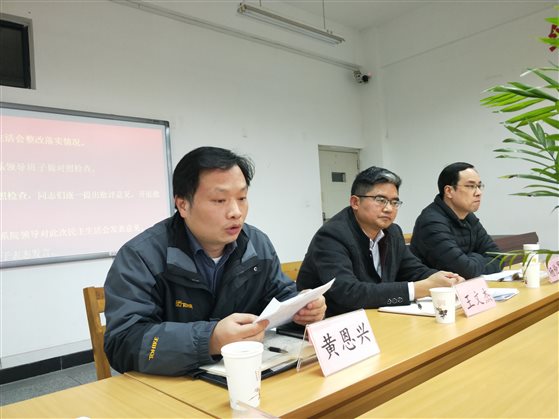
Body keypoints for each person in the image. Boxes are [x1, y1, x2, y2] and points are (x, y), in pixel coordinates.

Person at [104, 146, 326, 376]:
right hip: (169, 384)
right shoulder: (142, 256)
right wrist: (210, 340)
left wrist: (303, 308)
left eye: (242, 198)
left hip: (243, 374)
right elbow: (122, 343)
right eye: (220, 200)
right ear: (183, 204)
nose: (236, 212)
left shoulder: (256, 244)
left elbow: (280, 296)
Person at [296, 166, 463, 317]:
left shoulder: (393, 232)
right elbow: (348, 293)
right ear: (355, 202)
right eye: (380, 200)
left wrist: (445, 279)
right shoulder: (332, 235)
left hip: (376, 316)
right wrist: (418, 289)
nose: (389, 208)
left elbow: (412, 270)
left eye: (394, 202)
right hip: (334, 324)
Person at [410, 162, 502, 279]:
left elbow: (498, 258)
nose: (479, 193)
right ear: (449, 191)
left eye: (479, 186)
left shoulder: (468, 217)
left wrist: (470, 259)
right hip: (435, 289)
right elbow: (466, 270)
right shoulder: (432, 223)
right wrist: (477, 257)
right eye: (470, 186)